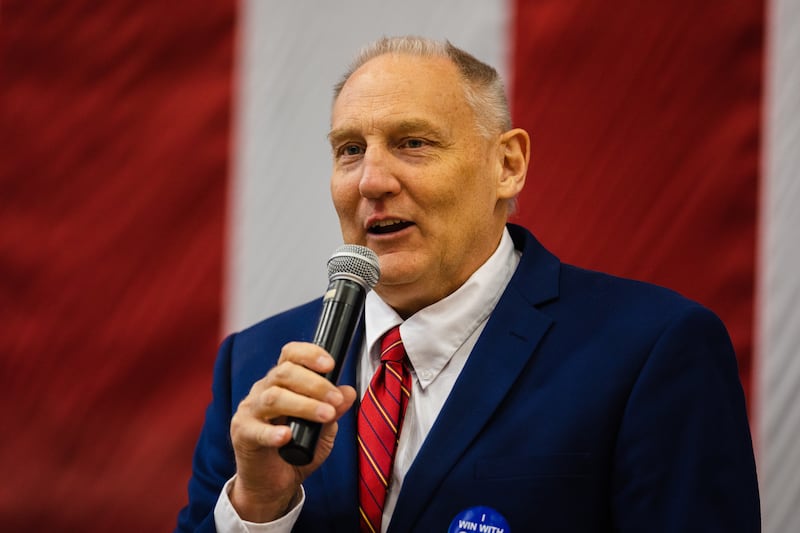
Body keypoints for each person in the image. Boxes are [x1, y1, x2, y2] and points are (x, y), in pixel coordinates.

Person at [176, 36, 760, 532]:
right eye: (350, 150)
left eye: (413, 143)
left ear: (507, 165)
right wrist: (259, 508)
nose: (371, 181)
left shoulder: (652, 350)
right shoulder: (255, 365)